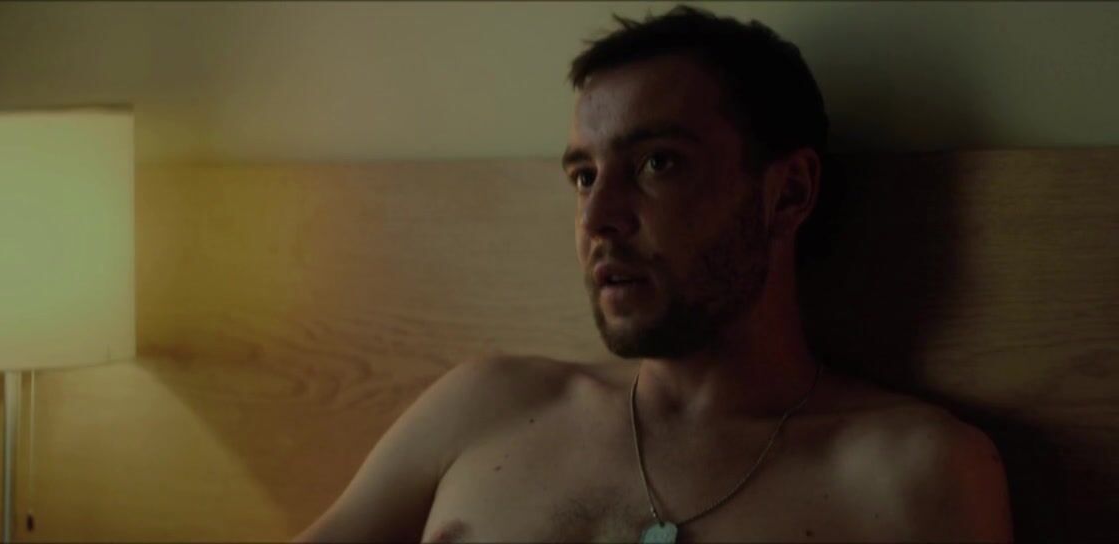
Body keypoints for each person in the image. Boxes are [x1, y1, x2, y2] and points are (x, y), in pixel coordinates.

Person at [295, 6, 1012, 543]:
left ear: (789, 193)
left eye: (656, 164)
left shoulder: (912, 476)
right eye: (583, 175)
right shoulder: (483, 407)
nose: (597, 218)